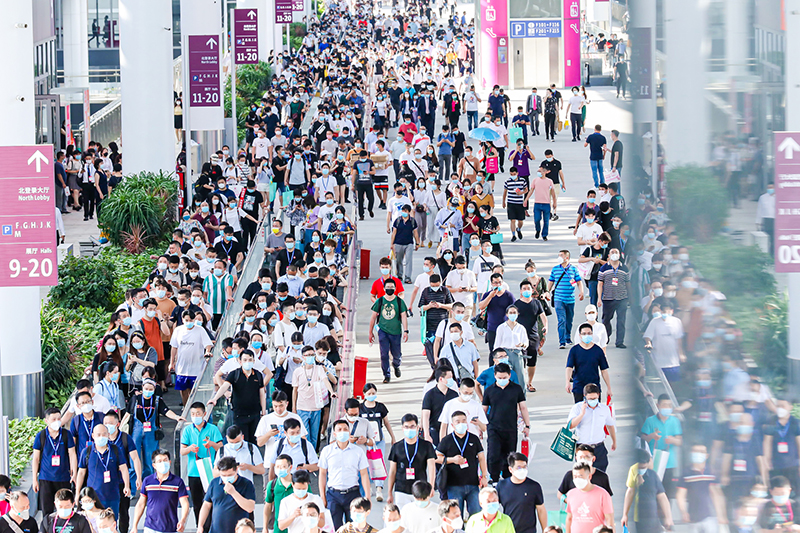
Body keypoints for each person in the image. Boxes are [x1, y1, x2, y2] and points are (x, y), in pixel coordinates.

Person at [318, 419, 371, 530]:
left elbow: (364, 474)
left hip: (352, 493)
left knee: (354, 527)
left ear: (349, 432)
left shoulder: (358, 451)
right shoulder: (327, 451)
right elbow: (322, 474)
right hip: (333, 494)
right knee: (335, 527)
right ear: (334, 434)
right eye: (339, 429)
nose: (343, 432)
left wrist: (367, 496)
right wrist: (322, 496)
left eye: (345, 429)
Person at [482, 363, 530, 482]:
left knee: (509, 455)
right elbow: (484, 409)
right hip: (493, 427)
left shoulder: (516, 389)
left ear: (509, 375)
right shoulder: (489, 390)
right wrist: (481, 427)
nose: (502, 380)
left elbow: (523, 407)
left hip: (510, 427)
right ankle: (494, 478)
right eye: (499, 378)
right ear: (495, 376)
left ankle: (508, 477)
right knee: (493, 454)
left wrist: (527, 425)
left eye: (504, 378)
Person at [207, 349, 267, 443]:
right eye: (245, 360)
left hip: (254, 414)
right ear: (240, 361)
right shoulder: (235, 374)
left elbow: (262, 393)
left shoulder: (258, 375)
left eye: (250, 360)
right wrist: (215, 399)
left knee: (253, 442)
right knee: (241, 440)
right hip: (239, 414)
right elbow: (224, 386)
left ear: (254, 361)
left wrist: (263, 410)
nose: (248, 362)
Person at [436, 411, 489, 516]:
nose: (461, 423)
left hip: (473, 484)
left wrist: (484, 476)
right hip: (453, 485)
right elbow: (436, 458)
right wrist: (452, 460)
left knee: (477, 515)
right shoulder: (447, 440)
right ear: (452, 425)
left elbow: (482, 458)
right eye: (458, 421)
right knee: (456, 515)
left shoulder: (474, 438)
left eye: (464, 421)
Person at [179, 402, 224, 529]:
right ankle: (200, 528)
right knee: (197, 503)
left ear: (204, 414)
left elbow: (221, 446)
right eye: (193, 414)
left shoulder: (212, 429)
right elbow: (182, 451)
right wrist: (190, 448)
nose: (195, 416)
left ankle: (212, 527)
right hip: (194, 472)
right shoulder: (188, 430)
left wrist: (211, 444)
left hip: (210, 471)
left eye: (198, 413)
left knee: (211, 501)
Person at [74, 424, 130, 518]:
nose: (101, 437)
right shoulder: (86, 452)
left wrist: (127, 486)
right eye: (98, 434)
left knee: (111, 522)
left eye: (104, 434)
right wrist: (77, 493)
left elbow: (124, 469)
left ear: (108, 435)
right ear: (93, 436)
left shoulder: (116, 450)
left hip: (112, 495)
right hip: (93, 497)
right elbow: (81, 473)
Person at [129, 449, 191, 533]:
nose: (163, 463)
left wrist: (183, 521)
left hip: (171, 528)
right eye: (160, 461)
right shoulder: (147, 481)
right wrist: (134, 526)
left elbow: (185, 503)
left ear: (169, 462)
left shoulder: (177, 482)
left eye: (165, 460)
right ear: (154, 465)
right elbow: (141, 504)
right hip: (150, 527)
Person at [32, 408, 78, 516]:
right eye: (53, 419)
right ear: (46, 421)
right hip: (46, 478)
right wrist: (34, 479)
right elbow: (36, 458)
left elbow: (72, 454)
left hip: (63, 478)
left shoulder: (66, 435)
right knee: (46, 511)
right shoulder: (41, 436)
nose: (57, 421)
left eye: (59, 418)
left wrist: (74, 473)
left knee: (64, 509)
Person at [386, 413, 436, 508]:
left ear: (417, 428)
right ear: (402, 429)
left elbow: (431, 467)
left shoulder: (426, 446)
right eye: (406, 427)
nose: (409, 429)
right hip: (401, 489)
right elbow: (392, 471)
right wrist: (389, 493)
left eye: (412, 426)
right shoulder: (397, 447)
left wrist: (432, 486)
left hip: (421, 489)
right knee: (403, 518)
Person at [197, 456, 256, 533]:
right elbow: (206, 505)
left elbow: (250, 507)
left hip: (238, 529)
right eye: (223, 476)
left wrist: (233, 492)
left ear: (236, 470)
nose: (226, 478)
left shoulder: (246, 484)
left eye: (230, 475)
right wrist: (200, 526)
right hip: (216, 530)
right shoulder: (214, 483)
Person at [676, 444, 727, 533]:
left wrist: (722, 515)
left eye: (701, 452)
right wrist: (683, 512)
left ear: (707, 455)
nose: (698, 454)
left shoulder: (712, 472)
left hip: (712, 516)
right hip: (694, 517)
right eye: (695, 451)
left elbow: (718, 495)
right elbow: (680, 495)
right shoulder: (686, 473)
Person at [621, 448, 673, 532]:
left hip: (652, 520)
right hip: (637, 521)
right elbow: (630, 492)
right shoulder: (632, 472)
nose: (642, 470)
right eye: (640, 467)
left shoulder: (653, 475)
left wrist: (668, 517)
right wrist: (625, 515)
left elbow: (662, 497)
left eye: (644, 467)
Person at [641, 395, 683, 498]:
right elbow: (643, 438)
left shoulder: (675, 421)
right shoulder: (650, 421)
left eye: (669, 405)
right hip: (652, 462)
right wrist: (652, 436)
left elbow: (680, 441)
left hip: (670, 463)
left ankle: (666, 513)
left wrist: (672, 440)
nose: (667, 408)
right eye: (664, 405)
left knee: (667, 492)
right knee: (653, 492)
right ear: (658, 405)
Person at [567, 384, 616, 472]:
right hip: (582, 447)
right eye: (590, 399)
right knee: (583, 473)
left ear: (598, 395)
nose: (592, 401)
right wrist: (582, 414)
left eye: (594, 398)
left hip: (598, 447)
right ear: (585, 396)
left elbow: (610, 425)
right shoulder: (577, 408)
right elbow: (570, 425)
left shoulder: (604, 409)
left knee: (600, 475)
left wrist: (614, 441)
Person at [369, 278, 409, 383]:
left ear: (395, 289)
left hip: (396, 332)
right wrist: (370, 333)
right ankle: (386, 375)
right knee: (384, 354)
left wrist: (406, 330)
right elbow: (373, 317)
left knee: (397, 354)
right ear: (384, 288)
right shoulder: (380, 301)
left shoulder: (400, 302)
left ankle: (396, 365)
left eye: (392, 287)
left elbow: (403, 316)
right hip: (383, 331)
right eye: (388, 287)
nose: (390, 289)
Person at [496, 452, 546, 533]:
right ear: (510, 469)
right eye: (518, 467)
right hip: (508, 530)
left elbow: (541, 510)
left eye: (524, 467)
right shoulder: (501, 486)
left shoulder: (534, 486)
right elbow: (494, 508)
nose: (522, 470)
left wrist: (544, 530)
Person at [565, 324, 612, 403]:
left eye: (589, 333)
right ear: (580, 335)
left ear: (592, 334)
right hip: (579, 386)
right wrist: (567, 383)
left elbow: (604, 370)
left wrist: (609, 388)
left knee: (595, 411)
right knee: (580, 411)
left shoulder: (598, 350)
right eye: (584, 334)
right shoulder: (574, 350)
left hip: (594, 386)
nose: (587, 335)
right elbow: (569, 368)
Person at [547, 250, 585, 349]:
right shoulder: (555, 269)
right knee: (561, 320)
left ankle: (568, 336)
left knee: (569, 320)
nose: (559, 257)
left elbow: (579, 281)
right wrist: (547, 291)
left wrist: (581, 291)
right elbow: (551, 282)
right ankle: (562, 341)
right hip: (559, 298)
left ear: (566, 258)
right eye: (558, 255)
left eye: (561, 255)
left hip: (570, 299)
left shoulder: (573, 269)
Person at [596, 248, 630, 349]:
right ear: (609, 256)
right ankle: (606, 338)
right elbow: (600, 284)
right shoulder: (604, 268)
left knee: (621, 320)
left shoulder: (624, 268)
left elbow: (628, 283)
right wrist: (599, 298)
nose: (614, 254)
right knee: (606, 320)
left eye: (616, 252)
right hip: (608, 298)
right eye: (612, 252)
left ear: (619, 255)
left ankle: (620, 341)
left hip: (622, 298)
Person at [564, 463, 613, 533]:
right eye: (575, 476)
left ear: (589, 476)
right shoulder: (571, 494)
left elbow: (609, 519)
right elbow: (569, 518)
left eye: (580, 476)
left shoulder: (603, 494)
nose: (577, 479)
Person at [422, 367, 459, 446]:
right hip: (435, 431)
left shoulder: (454, 394)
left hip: (450, 430)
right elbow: (425, 416)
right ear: (441, 379)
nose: (451, 380)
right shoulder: (430, 395)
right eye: (449, 378)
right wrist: (427, 434)